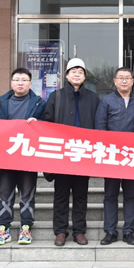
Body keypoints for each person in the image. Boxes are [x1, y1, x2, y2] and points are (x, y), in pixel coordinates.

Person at [42, 58, 99, 246]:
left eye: (80, 72)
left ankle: (79, 231)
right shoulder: (56, 96)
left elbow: (98, 125)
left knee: (81, 194)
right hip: (62, 154)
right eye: (73, 71)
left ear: (85, 76)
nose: (77, 74)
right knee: (61, 194)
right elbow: (47, 122)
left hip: (84, 153)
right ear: (66, 75)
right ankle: (60, 231)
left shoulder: (93, 98)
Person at [0, 68, 45, 246]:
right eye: (16, 79)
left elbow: (48, 124)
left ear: (30, 83)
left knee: (27, 193)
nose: (20, 83)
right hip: (5, 156)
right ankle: (3, 229)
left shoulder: (39, 103)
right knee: (4, 193)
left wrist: (38, 124)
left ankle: (26, 228)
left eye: (24, 80)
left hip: (28, 156)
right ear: (11, 82)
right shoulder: (0, 102)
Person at [95, 67, 134, 246]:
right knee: (110, 194)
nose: (124, 81)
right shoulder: (106, 101)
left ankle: (129, 231)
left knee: (131, 195)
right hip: (112, 156)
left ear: (132, 81)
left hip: (132, 156)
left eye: (127, 78)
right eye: (120, 78)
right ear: (114, 81)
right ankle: (110, 231)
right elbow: (100, 127)